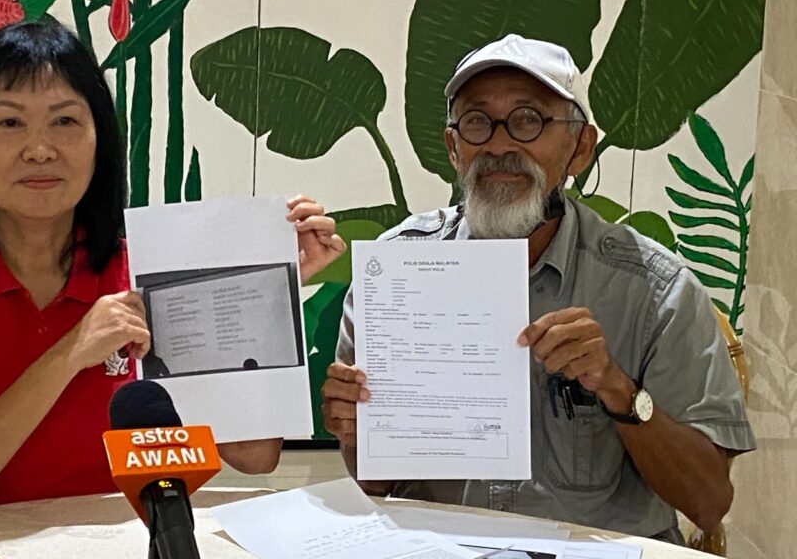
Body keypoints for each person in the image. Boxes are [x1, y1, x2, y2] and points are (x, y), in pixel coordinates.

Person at [0, 18, 345, 523]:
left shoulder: (150, 274)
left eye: (65, 121)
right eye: (9, 123)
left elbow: (253, 456)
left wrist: (266, 294)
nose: (40, 149)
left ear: (99, 144)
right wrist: (70, 353)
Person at [321, 33, 754, 543]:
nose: (499, 145)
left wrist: (617, 389)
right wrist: (358, 431)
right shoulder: (395, 274)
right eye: (477, 121)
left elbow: (707, 502)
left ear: (580, 147)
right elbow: (374, 485)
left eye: (528, 119)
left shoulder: (655, 292)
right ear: (454, 148)